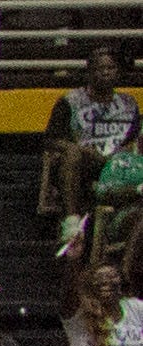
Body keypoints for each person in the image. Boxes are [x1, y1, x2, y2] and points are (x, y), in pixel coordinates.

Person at [48, 46, 139, 235]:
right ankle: (71, 223)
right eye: (100, 68)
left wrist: (122, 154)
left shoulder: (129, 104)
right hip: (84, 162)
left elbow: (132, 139)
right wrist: (84, 151)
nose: (105, 72)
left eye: (111, 68)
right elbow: (52, 140)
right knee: (71, 154)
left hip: (118, 164)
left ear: (118, 72)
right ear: (89, 72)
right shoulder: (70, 101)